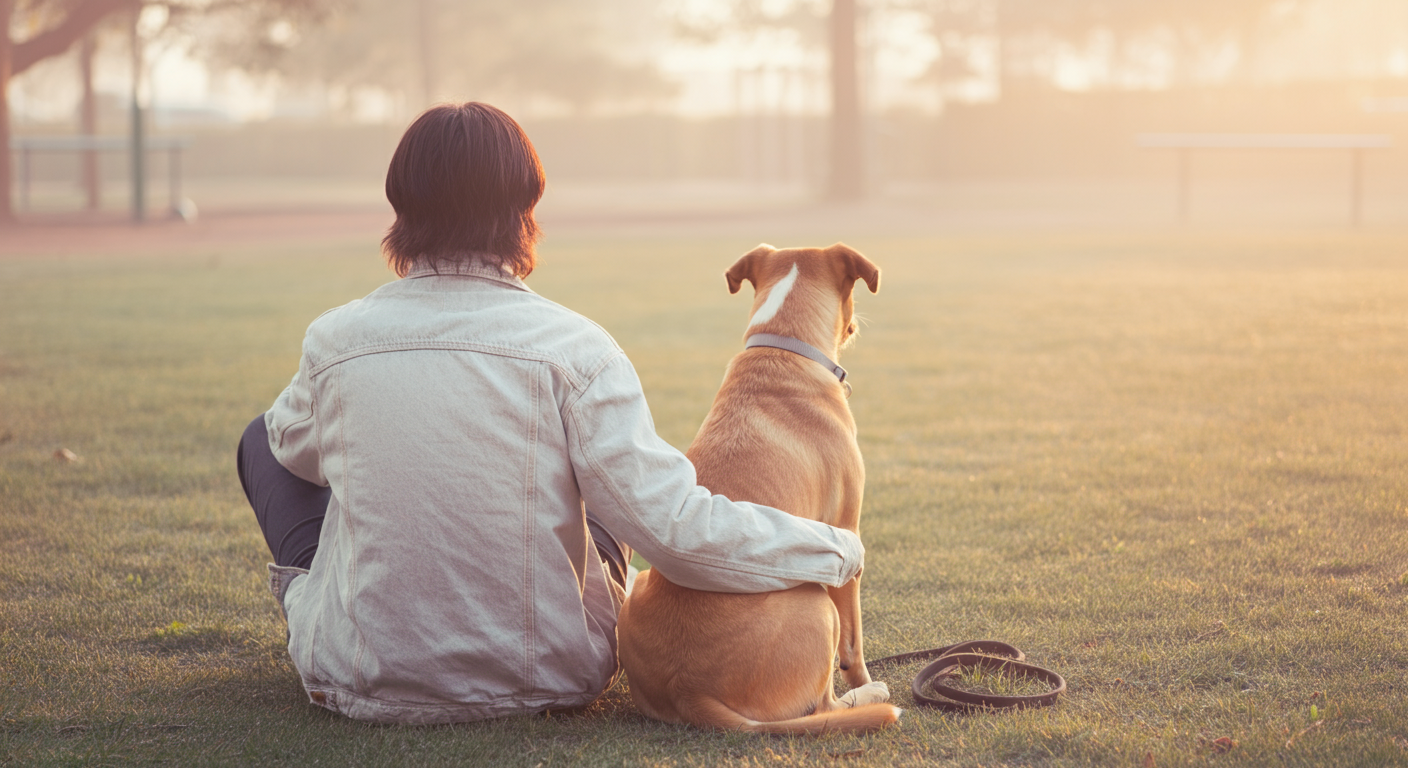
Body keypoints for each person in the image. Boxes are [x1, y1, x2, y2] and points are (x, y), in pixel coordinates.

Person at [235, 102, 865, 724]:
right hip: (551, 677)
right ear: (525, 213)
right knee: (613, 480)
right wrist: (835, 546)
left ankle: (321, 603)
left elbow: (294, 454)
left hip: (358, 677)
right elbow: (675, 532)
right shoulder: (579, 349)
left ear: (400, 209)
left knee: (262, 441)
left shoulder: (334, 340)